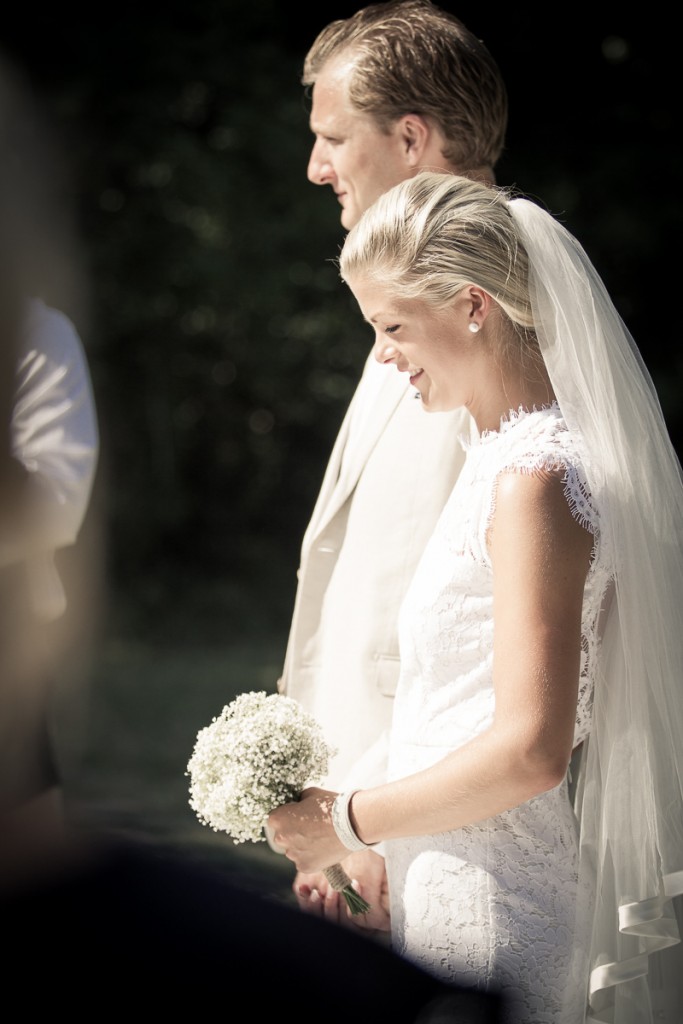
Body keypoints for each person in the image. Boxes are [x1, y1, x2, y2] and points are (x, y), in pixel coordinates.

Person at [268, 171, 683, 1022]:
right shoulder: (493, 459)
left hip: (495, 914)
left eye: (390, 326)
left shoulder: (535, 476)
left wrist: (346, 820)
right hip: (442, 892)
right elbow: (443, 710)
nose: (383, 355)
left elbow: (532, 748)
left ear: (470, 305)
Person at [277, 0, 508, 933]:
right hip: (360, 820)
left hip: (427, 828)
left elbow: (489, 625)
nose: (315, 167)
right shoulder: (410, 295)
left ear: (410, 138)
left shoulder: (491, 311)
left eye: (334, 137)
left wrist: (365, 825)